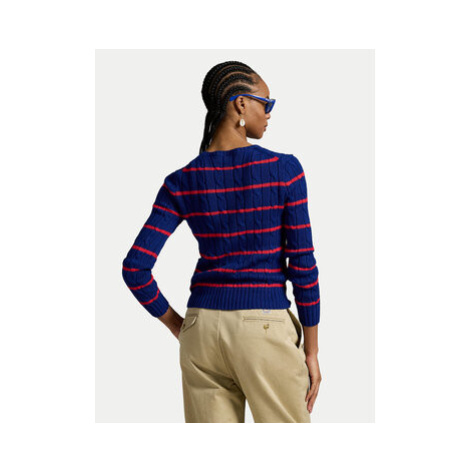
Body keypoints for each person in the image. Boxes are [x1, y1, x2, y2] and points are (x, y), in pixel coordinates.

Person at [122, 60, 322, 423]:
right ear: (241, 104)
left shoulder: (181, 181)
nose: (269, 113)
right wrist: (312, 351)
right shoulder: (284, 170)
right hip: (263, 329)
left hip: (201, 332)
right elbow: (303, 267)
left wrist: (180, 326)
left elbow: (135, 268)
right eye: (266, 103)